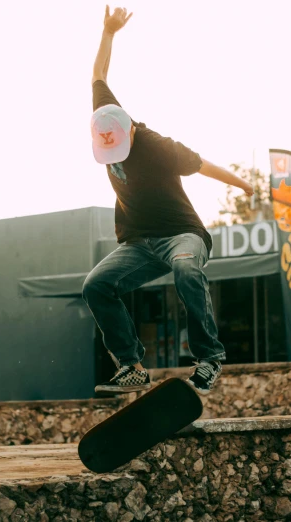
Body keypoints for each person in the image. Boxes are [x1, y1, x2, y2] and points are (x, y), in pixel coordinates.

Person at [83, 6, 254, 395]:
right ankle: (131, 365)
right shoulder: (104, 116)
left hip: (182, 236)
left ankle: (209, 359)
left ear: (129, 131)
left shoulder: (156, 144)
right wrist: (109, 32)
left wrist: (244, 185)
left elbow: (202, 165)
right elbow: (98, 73)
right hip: (138, 243)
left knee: (186, 271)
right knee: (95, 285)